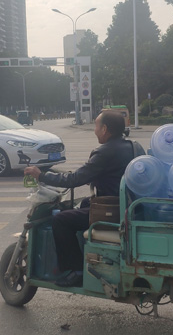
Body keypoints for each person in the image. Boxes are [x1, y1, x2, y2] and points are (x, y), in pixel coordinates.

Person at [24, 111, 143, 287]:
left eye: (96, 126)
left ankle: (76, 271)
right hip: (127, 205)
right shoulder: (133, 146)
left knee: (61, 220)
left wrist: (41, 176)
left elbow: (75, 179)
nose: (94, 130)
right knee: (84, 204)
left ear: (104, 129)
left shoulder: (104, 152)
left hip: (113, 210)